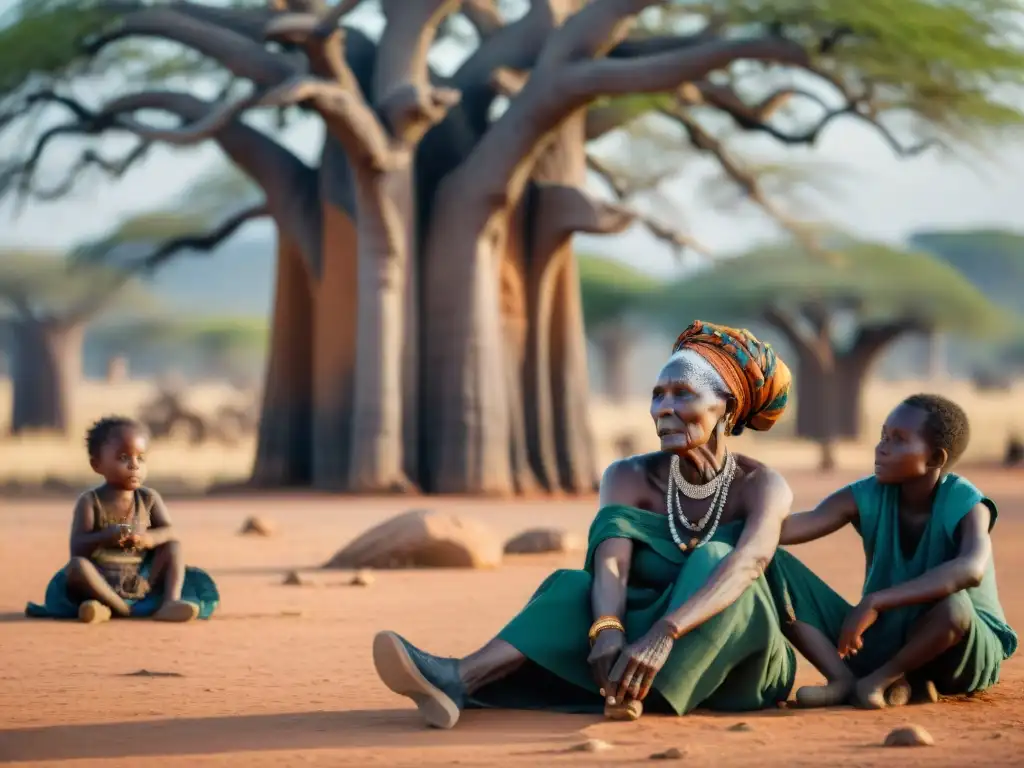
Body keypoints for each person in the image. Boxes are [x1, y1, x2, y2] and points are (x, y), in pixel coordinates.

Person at [372, 320, 797, 729]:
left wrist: (664, 635)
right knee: (572, 586)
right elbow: (612, 565)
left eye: (682, 394)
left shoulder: (761, 485)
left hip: (739, 658)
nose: (664, 408)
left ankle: (626, 689)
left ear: (728, 407)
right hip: (642, 651)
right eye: (657, 394)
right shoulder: (627, 476)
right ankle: (460, 678)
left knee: (715, 557)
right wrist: (608, 630)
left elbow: (749, 563)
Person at [769, 394, 1018, 709]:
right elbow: (791, 529)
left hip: (963, 653)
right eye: (883, 435)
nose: (881, 447)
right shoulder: (869, 493)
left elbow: (971, 569)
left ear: (934, 460)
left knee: (955, 607)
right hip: (886, 639)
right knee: (767, 561)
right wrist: (745, 500)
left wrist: (875, 601)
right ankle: (845, 678)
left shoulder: (966, 502)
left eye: (898, 440)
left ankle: (884, 679)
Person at [25, 416, 219, 624]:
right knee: (76, 567)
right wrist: (107, 536)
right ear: (97, 464)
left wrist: (148, 539)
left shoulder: (149, 499)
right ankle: (112, 607)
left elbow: (170, 532)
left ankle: (169, 603)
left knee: (173, 547)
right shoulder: (90, 502)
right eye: (124, 458)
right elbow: (78, 548)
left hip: (142, 580)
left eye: (141, 458)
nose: (134, 466)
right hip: (102, 580)